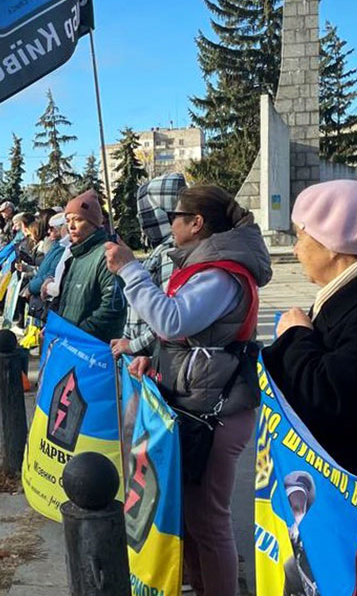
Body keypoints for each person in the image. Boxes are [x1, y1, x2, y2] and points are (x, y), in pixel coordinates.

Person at [104, 185, 272, 596]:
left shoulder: (219, 273)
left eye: (177, 217)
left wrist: (129, 269)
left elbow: (172, 320)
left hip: (216, 412)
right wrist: (154, 361)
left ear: (196, 224)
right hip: (199, 404)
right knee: (193, 520)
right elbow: (186, 340)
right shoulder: (208, 267)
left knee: (209, 521)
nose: (170, 224)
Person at [261, 179, 357, 486]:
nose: (295, 250)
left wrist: (295, 336)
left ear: (331, 243)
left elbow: (328, 397)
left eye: (300, 237)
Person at [111, 173, 187, 358]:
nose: (141, 218)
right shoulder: (162, 249)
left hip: (157, 357)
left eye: (145, 210)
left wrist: (134, 345)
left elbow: (168, 316)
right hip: (149, 356)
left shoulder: (172, 253)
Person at [56, 190, 126, 342]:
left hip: (92, 347)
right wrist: (56, 328)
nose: (71, 227)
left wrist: (78, 333)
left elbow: (112, 306)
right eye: (68, 221)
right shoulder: (76, 254)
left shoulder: (107, 254)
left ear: (93, 223)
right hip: (71, 342)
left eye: (78, 220)